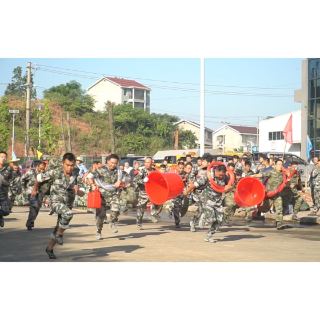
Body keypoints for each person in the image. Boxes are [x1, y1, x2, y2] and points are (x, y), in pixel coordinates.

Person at [33, 153, 86, 259]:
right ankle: (59, 234)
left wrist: (77, 190)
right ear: (62, 164)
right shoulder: (55, 172)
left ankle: (50, 248)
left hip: (68, 204)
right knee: (68, 214)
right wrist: (34, 190)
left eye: (72, 165)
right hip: (56, 202)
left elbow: (82, 193)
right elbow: (38, 178)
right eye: (67, 165)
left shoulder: (75, 174)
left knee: (59, 227)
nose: (70, 168)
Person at [184, 153, 233, 242]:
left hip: (217, 201)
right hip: (207, 199)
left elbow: (228, 187)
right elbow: (195, 184)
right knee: (211, 217)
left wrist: (229, 188)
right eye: (219, 175)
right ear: (216, 171)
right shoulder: (208, 176)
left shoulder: (225, 178)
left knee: (219, 220)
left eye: (222, 175)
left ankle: (209, 235)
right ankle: (204, 217)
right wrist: (187, 191)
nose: (221, 177)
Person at [86, 154, 123, 240]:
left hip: (114, 193)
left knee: (116, 210)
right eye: (112, 163)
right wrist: (92, 185)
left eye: (115, 163)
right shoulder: (100, 169)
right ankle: (99, 231)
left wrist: (120, 181)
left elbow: (127, 180)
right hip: (102, 195)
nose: (113, 165)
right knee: (101, 216)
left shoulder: (119, 171)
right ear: (108, 161)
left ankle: (112, 223)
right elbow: (90, 176)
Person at [252, 159, 288, 230]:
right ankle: (259, 210)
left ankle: (279, 223)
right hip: (269, 194)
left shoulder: (283, 174)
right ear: (275, 165)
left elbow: (286, 181)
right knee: (265, 208)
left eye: (281, 165)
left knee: (279, 208)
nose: (280, 166)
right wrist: (254, 175)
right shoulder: (271, 172)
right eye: (279, 165)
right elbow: (262, 174)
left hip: (277, 194)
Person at [134, 156, 161, 230]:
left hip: (152, 191)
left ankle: (152, 214)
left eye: (148, 162)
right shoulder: (142, 171)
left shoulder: (154, 171)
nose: (147, 164)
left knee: (159, 202)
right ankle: (139, 223)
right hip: (143, 192)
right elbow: (136, 180)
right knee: (141, 209)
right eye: (145, 162)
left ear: (152, 163)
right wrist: (143, 181)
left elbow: (158, 180)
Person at [22, 161, 47, 230]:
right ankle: (30, 223)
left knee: (37, 207)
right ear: (37, 166)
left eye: (43, 169)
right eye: (40, 168)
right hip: (31, 191)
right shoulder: (30, 172)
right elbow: (23, 179)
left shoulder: (45, 174)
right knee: (34, 205)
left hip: (40, 192)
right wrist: (24, 189)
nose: (41, 170)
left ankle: (30, 221)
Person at [0, 151, 21, 228]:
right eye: (1, 157)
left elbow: (16, 179)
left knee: (6, 211)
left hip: (4, 195)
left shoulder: (9, 169)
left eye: (4, 157)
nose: (3, 159)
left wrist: (18, 188)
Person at [167, 161, 188, 228]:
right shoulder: (173, 174)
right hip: (175, 193)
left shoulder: (185, 174)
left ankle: (171, 209)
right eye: (180, 168)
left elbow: (187, 183)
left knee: (181, 207)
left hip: (182, 192)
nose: (181, 170)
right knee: (176, 206)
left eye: (182, 168)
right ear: (177, 167)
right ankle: (177, 222)